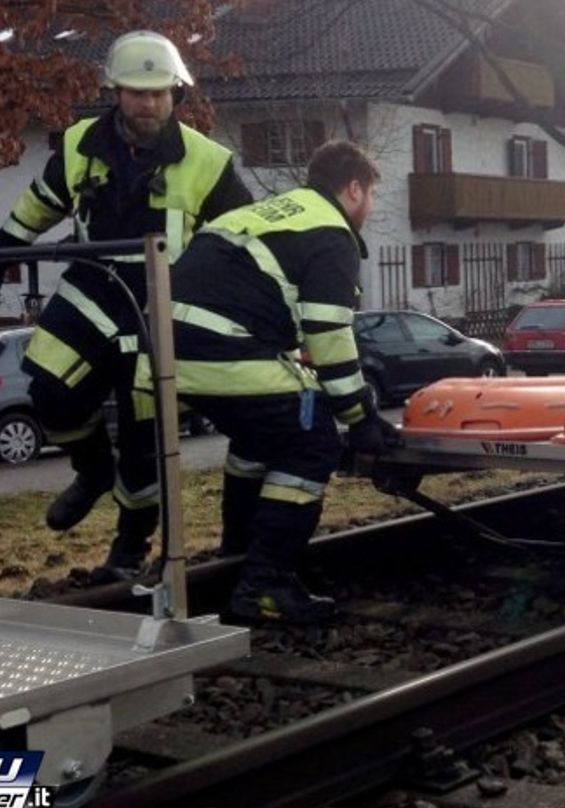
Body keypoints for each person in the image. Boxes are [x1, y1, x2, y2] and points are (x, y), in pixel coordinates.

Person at [0, 31, 252, 579]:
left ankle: (128, 550)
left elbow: (245, 244)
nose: (148, 104)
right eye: (136, 93)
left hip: (162, 309)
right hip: (93, 290)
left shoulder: (210, 162)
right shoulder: (78, 145)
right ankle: (92, 470)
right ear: (115, 93)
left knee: (146, 442)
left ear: (176, 96)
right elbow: (33, 212)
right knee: (50, 389)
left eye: (158, 94)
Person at [161, 141, 397, 623]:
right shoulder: (331, 233)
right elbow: (329, 335)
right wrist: (361, 417)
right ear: (354, 189)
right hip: (223, 347)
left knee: (258, 438)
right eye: (371, 195)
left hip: (168, 349)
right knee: (311, 446)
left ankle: (239, 550)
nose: (370, 208)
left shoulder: (270, 212)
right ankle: (264, 583)